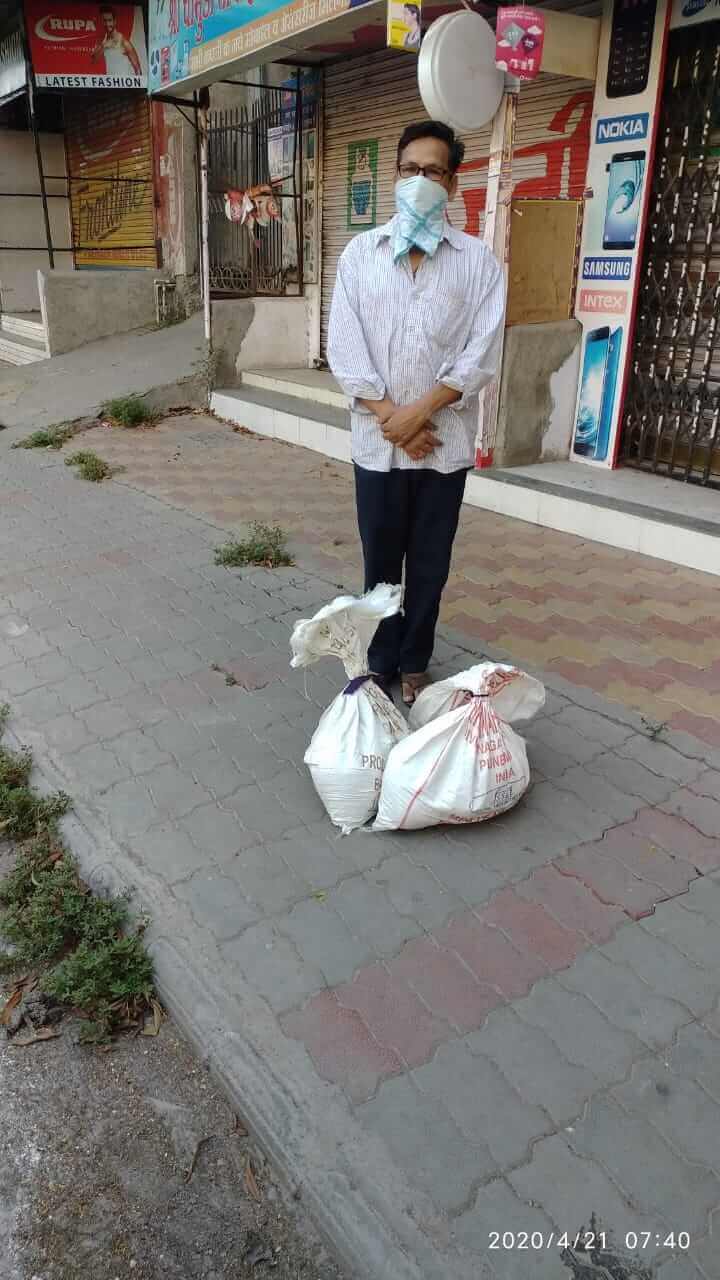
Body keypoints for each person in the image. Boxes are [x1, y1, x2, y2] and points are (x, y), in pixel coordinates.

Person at [327, 121, 505, 706]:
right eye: (410, 169)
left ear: (451, 182)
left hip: (441, 444)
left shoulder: (478, 262)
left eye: (433, 171)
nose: (420, 180)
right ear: (395, 175)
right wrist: (392, 417)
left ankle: (414, 660)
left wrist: (420, 413)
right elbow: (345, 344)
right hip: (377, 443)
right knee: (380, 562)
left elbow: (481, 351)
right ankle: (380, 660)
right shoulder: (361, 254)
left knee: (429, 564)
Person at [91, 6, 142, 77]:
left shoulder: (123, 42)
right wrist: (104, 46)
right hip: (111, 81)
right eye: (105, 20)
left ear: (114, 21)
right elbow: (94, 59)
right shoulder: (102, 40)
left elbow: (137, 68)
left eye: (109, 20)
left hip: (124, 82)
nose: (107, 24)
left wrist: (138, 84)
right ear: (102, 22)